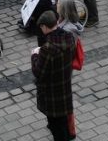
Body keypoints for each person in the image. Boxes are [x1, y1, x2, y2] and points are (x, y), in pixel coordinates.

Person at [31, 9, 76, 141]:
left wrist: (34, 55)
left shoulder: (47, 49)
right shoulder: (69, 37)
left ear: (45, 26)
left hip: (52, 94)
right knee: (63, 123)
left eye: (42, 27)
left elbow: (38, 72)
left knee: (56, 127)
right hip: (65, 89)